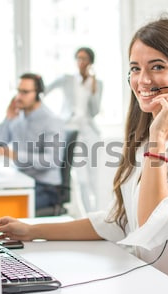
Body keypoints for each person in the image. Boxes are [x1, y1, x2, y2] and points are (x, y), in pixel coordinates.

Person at [0, 17, 168, 294]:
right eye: (135, 68)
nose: (143, 80)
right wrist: (32, 230)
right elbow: (120, 221)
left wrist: (159, 135)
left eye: (157, 67)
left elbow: (153, 227)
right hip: (150, 286)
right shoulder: (146, 141)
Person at [0, 73, 64, 210]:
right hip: (21, 180)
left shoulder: (51, 121)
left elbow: (52, 160)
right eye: (18, 91)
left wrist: (16, 155)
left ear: (38, 94)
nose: (19, 97)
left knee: (5, 209)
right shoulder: (18, 118)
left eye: (25, 92)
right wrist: (8, 118)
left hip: (46, 187)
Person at [44, 47, 103, 212]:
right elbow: (44, 91)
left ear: (90, 62)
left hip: (89, 132)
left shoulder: (97, 83)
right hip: (71, 130)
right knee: (80, 177)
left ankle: (96, 214)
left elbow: (95, 111)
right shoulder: (67, 79)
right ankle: (86, 215)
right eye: (78, 58)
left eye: (84, 59)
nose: (80, 62)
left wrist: (93, 91)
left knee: (93, 177)